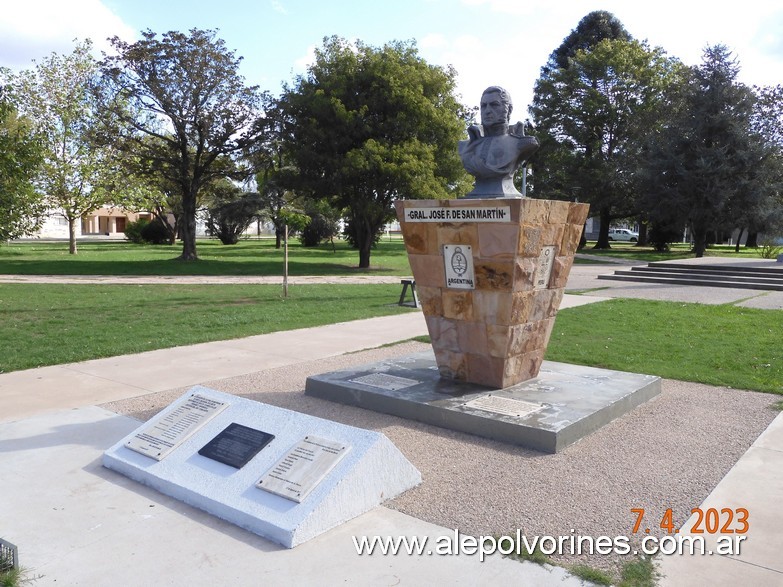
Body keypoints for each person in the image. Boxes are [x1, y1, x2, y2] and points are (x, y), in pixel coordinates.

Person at [458, 86, 539, 198]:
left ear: (509, 110)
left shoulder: (521, 144)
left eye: (494, 105)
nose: (487, 111)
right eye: (483, 106)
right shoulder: (466, 146)